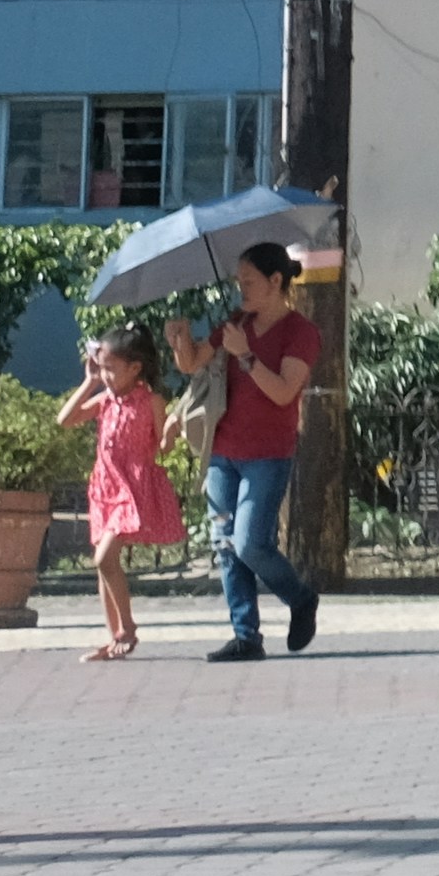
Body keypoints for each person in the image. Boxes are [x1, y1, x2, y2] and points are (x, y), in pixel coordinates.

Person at [201, 242, 322, 664]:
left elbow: (285, 392)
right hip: (223, 450)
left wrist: (246, 356)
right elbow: (194, 360)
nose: (241, 290)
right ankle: (246, 635)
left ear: (276, 282)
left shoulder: (300, 333)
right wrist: (181, 342)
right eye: (238, 282)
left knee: (250, 543)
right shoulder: (237, 323)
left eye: (248, 282)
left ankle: (300, 598)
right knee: (225, 544)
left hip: (268, 453)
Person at [64, 324, 186, 662]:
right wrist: (89, 382)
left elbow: (163, 445)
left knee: (104, 558)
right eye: (100, 367)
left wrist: (173, 432)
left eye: (109, 368)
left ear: (135, 368)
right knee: (105, 564)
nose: (104, 374)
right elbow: (65, 419)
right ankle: (114, 636)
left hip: (132, 488)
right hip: (105, 487)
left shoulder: (151, 401)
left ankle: (128, 628)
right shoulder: (105, 400)